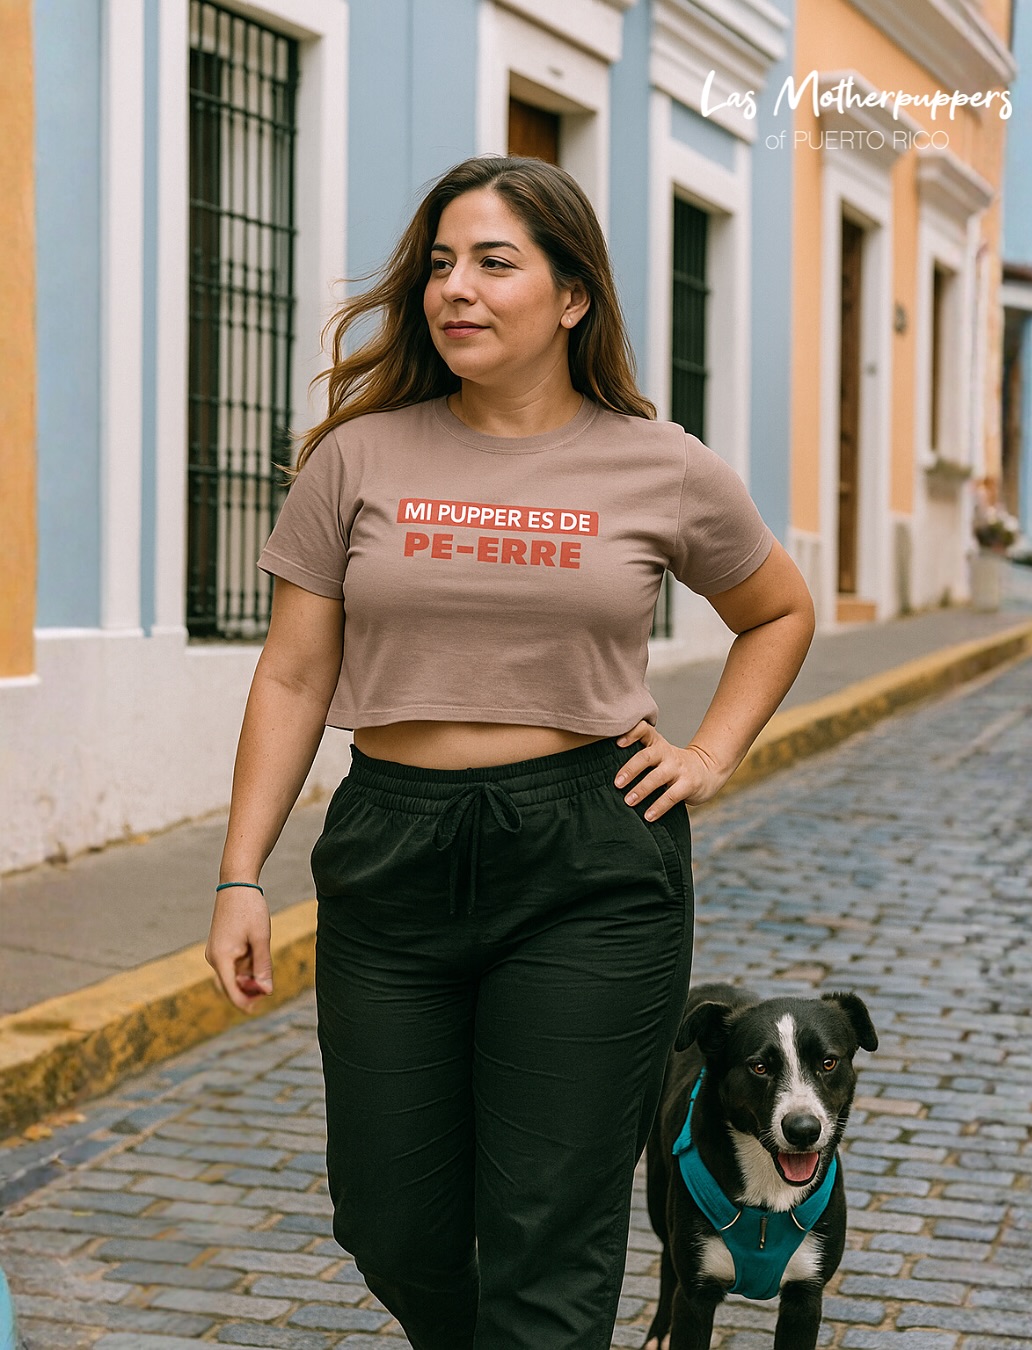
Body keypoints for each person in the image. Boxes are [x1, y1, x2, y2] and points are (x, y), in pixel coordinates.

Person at [204, 155, 815, 1350]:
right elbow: (293, 674)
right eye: (441, 264)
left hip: (591, 861)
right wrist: (240, 873)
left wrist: (711, 754)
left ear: (573, 295)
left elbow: (779, 610)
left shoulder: (658, 462)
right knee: (390, 1220)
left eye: (494, 263)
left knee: (550, 1231)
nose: (456, 288)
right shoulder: (358, 457)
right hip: (394, 850)